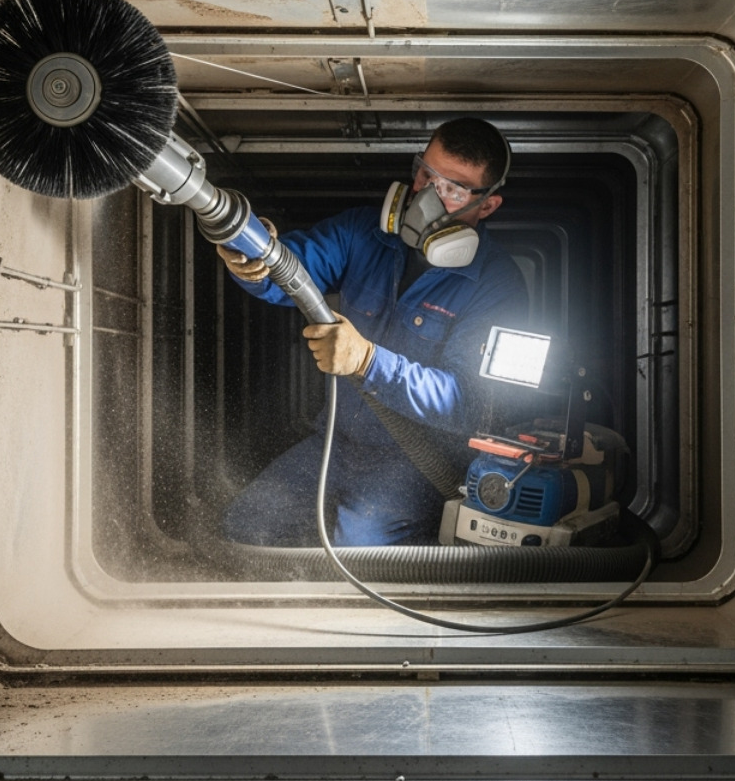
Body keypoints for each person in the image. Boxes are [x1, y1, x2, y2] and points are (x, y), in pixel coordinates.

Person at [217, 118, 529, 547]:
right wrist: (250, 249)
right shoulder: (362, 233)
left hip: (414, 461)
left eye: (453, 189)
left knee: (357, 557)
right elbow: (286, 272)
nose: (427, 196)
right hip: (336, 442)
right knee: (245, 530)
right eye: (426, 174)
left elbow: (467, 402)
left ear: (487, 205)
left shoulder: (498, 285)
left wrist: (368, 361)